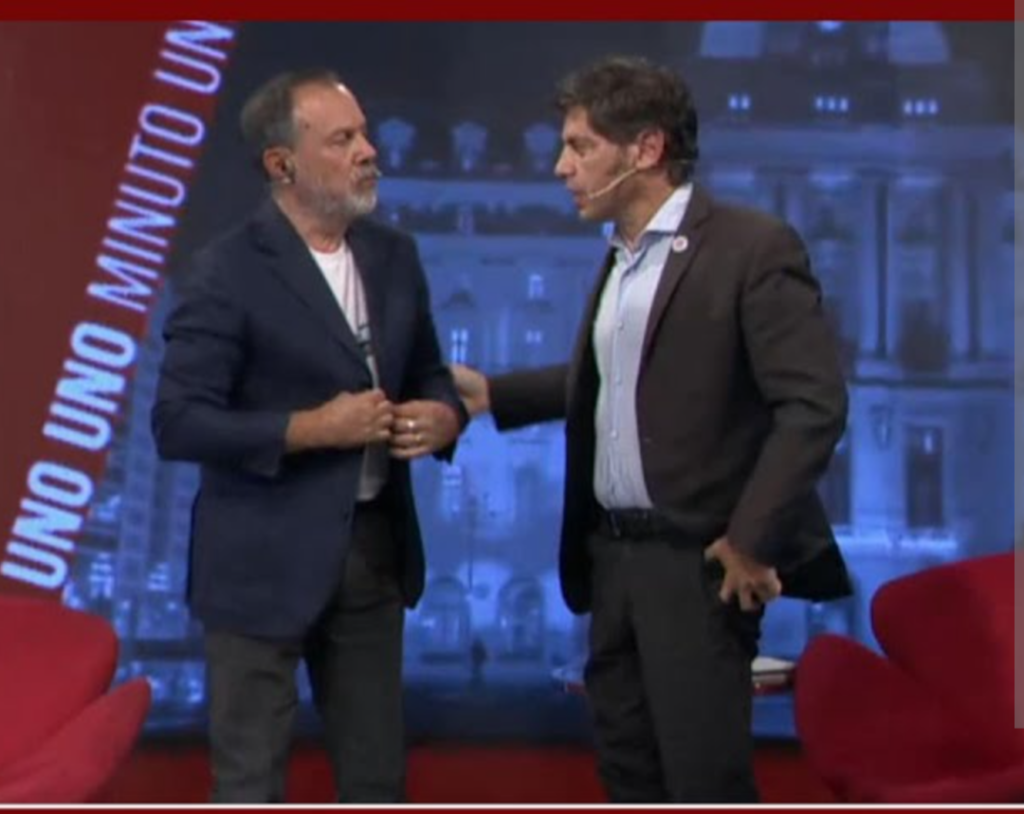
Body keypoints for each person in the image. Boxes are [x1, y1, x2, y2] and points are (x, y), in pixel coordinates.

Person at [453, 56, 852, 803]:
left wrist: (750, 539)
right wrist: (494, 395)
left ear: (646, 149)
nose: (561, 166)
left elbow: (814, 405)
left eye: (580, 146)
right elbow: (620, 379)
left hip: (697, 566)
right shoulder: (620, 259)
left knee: (702, 783)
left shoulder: (750, 248)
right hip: (613, 562)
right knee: (629, 778)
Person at [152, 69, 466, 803]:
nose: (368, 152)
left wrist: (444, 415)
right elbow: (178, 420)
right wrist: (312, 429)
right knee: (251, 782)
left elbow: (430, 371)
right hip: (259, 562)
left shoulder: (394, 256)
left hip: (371, 556)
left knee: (376, 781)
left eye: (365, 134)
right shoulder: (226, 270)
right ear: (282, 163)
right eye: (342, 139)